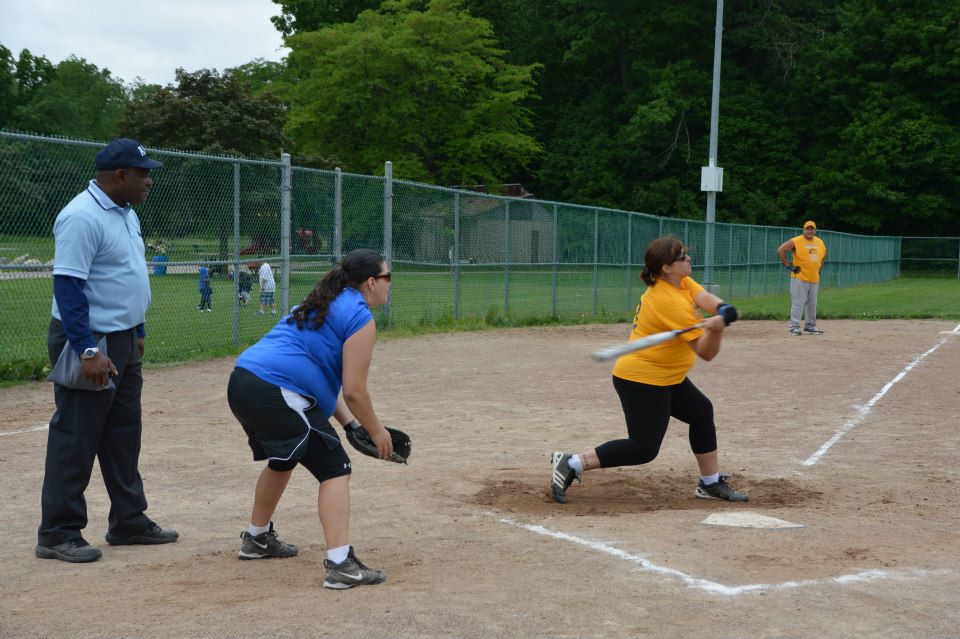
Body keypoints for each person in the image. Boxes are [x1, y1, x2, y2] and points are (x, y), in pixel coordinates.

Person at [37, 138, 179, 563]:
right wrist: (85, 350)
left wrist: (136, 328)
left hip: (122, 339)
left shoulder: (125, 213)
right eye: (143, 173)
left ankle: (128, 520)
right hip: (89, 341)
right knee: (76, 436)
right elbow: (69, 286)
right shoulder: (81, 216)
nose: (148, 181)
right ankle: (58, 532)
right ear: (120, 175)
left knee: (123, 433)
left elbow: (125, 277)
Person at [227, 248, 394, 589]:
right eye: (388, 277)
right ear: (371, 282)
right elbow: (354, 391)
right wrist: (377, 432)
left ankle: (257, 539)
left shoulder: (325, 300)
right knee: (335, 468)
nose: (391, 284)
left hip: (244, 382)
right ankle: (340, 565)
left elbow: (317, 380)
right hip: (275, 389)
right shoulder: (360, 316)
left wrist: (349, 425)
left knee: (283, 458)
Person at [551, 236, 748, 505]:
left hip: (668, 375)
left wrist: (723, 308)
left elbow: (702, 296)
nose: (688, 259)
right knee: (644, 448)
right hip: (642, 379)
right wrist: (717, 330)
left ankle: (710, 483)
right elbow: (707, 352)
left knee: (701, 412)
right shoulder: (668, 301)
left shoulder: (680, 283)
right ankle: (572, 462)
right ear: (666, 267)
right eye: (682, 257)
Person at [777, 220, 827, 336]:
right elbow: (781, 250)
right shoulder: (797, 240)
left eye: (812, 228)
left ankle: (810, 326)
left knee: (812, 304)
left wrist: (819, 267)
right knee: (798, 303)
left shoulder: (820, 242)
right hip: (800, 277)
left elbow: (824, 254)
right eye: (807, 228)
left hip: (814, 278)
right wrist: (789, 266)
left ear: (815, 230)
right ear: (803, 230)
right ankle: (794, 327)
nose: (809, 230)